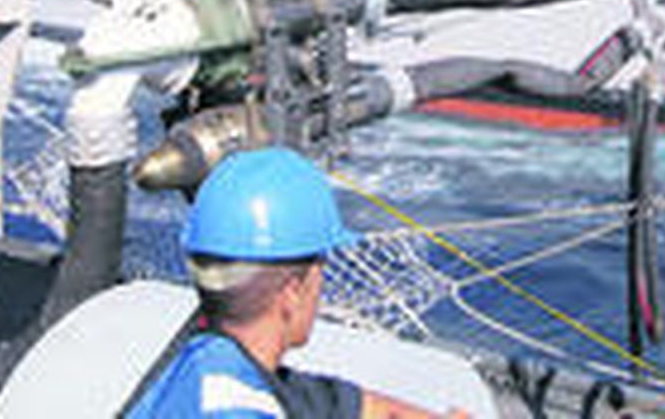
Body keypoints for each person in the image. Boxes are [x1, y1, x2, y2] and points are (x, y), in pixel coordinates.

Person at [128, 148, 453, 418]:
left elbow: (342, 407)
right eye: (320, 270)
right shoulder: (233, 406)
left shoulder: (205, 362)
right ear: (293, 291)